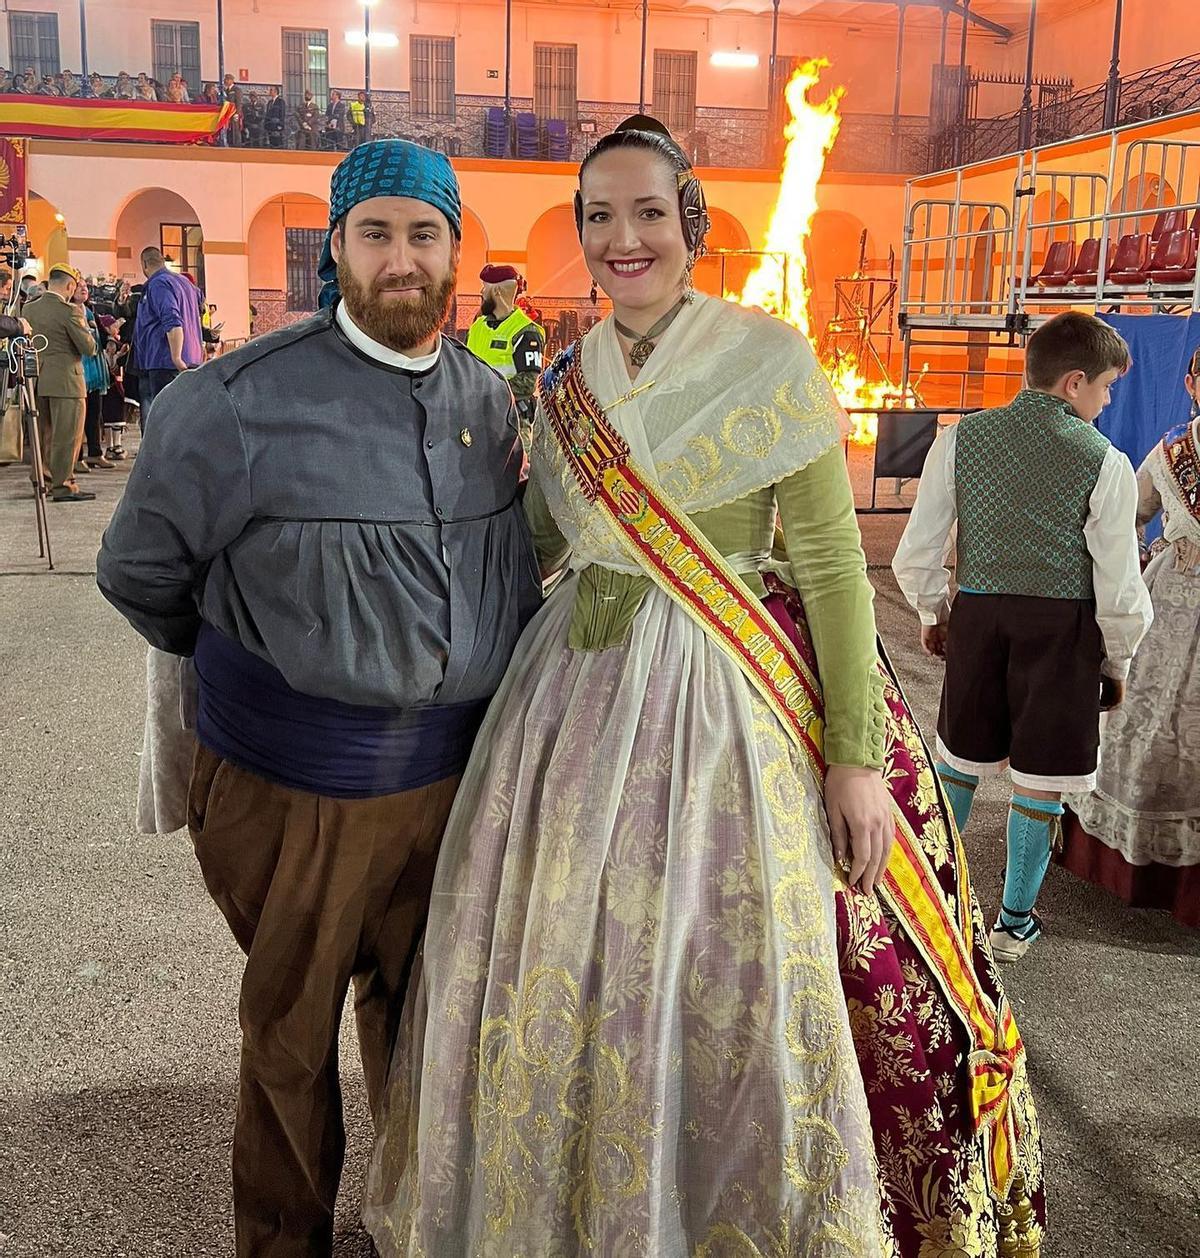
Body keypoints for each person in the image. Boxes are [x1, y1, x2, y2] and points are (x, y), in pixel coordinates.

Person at [364, 115, 1045, 1258]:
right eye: (597, 216)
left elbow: (830, 559)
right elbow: (535, 536)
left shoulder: (769, 354)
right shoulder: (571, 371)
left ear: (689, 222)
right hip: (569, 700)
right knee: (556, 953)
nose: (621, 238)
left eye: (645, 212)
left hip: (726, 698)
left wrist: (853, 758)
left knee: (716, 966)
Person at [97, 138, 541, 1258]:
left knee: (428, 1024)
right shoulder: (232, 405)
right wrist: (272, 676)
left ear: (456, 251)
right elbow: (140, 573)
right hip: (294, 793)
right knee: (291, 1038)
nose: (403, 258)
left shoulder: (489, 402)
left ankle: (416, 1220)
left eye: (424, 234)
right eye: (377, 232)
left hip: (453, 789)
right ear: (334, 246)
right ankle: (284, 1239)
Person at [893, 310, 1154, 962]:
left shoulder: (961, 439)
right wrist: (1116, 660)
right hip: (1061, 633)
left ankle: (935, 904)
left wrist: (932, 615)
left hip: (980, 620)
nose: (1107, 401)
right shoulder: (1105, 462)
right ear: (1073, 383)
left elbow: (918, 549)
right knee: (1039, 782)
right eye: (1106, 388)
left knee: (958, 763)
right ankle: (1012, 924)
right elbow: (1118, 580)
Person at [1062, 346, 1200, 928]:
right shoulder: (1173, 453)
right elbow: (1127, 517)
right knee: (1148, 724)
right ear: (1192, 382)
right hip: (1173, 606)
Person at [24, 263, 96, 502]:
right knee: (67, 436)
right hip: (67, 381)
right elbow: (88, 347)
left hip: (38, 379)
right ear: (69, 285)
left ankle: (42, 480)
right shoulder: (70, 311)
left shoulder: (29, 309)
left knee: (43, 434)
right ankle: (64, 485)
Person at [465, 262, 544, 442]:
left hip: (511, 423)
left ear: (497, 293)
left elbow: (527, 384)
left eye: (485, 289)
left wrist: (485, 394)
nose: (482, 293)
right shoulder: (478, 327)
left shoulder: (526, 331)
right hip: (476, 420)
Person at [132, 246, 204, 427]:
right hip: (191, 359)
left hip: (164, 361)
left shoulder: (158, 284)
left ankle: (161, 456)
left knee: (163, 422)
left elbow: (172, 320)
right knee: (184, 419)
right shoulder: (186, 283)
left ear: (144, 264)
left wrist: (176, 357)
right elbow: (200, 305)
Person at [70, 276, 115, 470]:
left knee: (95, 413)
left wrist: (113, 343)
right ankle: (77, 457)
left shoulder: (90, 311)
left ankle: (95, 453)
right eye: (79, 286)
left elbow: (104, 336)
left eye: (85, 287)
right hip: (79, 367)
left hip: (95, 369)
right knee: (79, 415)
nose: (83, 289)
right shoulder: (68, 312)